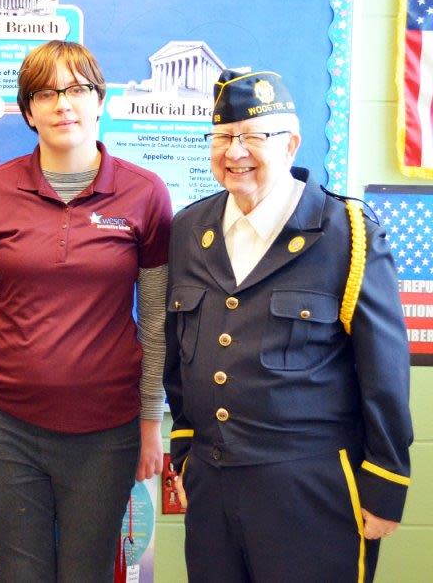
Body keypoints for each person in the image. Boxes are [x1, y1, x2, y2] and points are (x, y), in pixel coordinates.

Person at [163, 69, 412, 582]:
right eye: (224, 138)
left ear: (292, 143)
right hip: (212, 490)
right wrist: (185, 451)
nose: (236, 153)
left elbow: (384, 371)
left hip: (311, 490)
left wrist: (386, 482)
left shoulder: (346, 232)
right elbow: (178, 353)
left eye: (254, 136)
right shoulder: (190, 229)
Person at [0, 40, 173, 582]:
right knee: (22, 574)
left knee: (87, 574)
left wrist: (149, 422)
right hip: (8, 425)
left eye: (77, 89)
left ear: (101, 101)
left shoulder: (145, 194)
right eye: (46, 93)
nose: (63, 104)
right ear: (28, 111)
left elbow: (158, 320)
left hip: (108, 430)